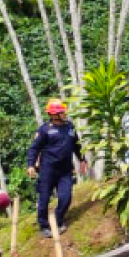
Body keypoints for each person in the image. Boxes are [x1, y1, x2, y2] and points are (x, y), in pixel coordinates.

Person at [27, 99, 87, 238]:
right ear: (53, 114)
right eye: (61, 112)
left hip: (65, 170)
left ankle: (58, 220)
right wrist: (31, 165)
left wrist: (82, 160)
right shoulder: (45, 129)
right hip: (48, 170)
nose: (64, 113)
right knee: (44, 198)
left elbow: (76, 145)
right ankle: (44, 226)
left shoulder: (70, 127)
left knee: (66, 197)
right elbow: (34, 148)